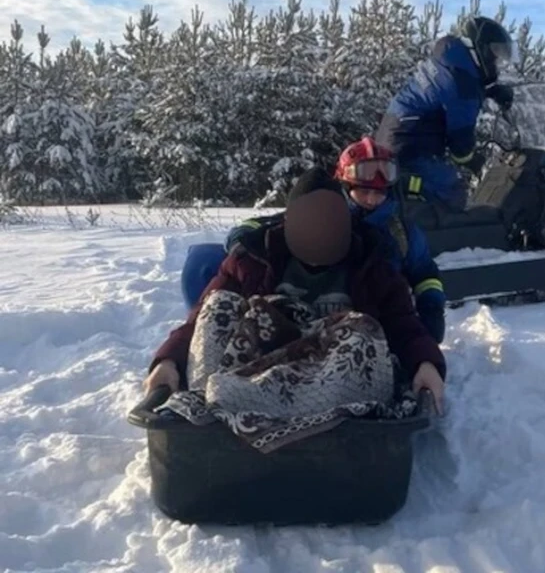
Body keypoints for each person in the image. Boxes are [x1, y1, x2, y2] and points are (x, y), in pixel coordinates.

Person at [144, 166, 446, 414]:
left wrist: (425, 363)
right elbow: (201, 318)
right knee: (219, 304)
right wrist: (169, 360)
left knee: (364, 329)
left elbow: (401, 322)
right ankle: (212, 399)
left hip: (332, 371)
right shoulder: (253, 258)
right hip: (259, 361)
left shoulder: (372, 263)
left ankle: (241, 405)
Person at [224, 137, 447, 343]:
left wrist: (432, 307)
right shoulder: (322, 214)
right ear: (346, 187)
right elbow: (264, 225)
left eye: (379, 193)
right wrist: (241, 242)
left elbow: (425, 271)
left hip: (377, 319)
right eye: (363, 191)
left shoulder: (401, 232)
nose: (371, 199)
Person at [374, 15, 518, 211]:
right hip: (409, 148)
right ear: (480, 48)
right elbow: (460, 146)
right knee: (452, 191)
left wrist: (489, 91)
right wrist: (476, 161)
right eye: (494, 52)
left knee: (419, 190)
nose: (496, 61)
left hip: (393, 137)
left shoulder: (450, 60)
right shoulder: (462, 83)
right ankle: (450, 241)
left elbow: (446, 95)